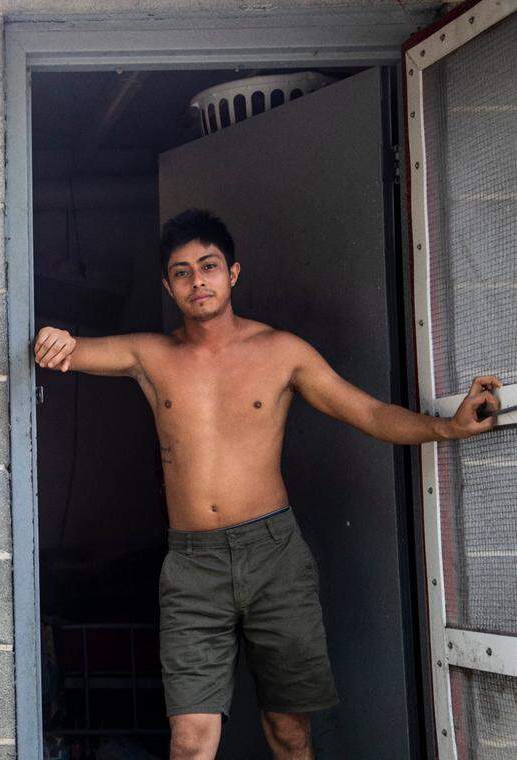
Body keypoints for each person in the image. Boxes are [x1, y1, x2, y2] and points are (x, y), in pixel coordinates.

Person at [31, 209, 501, 760]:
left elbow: (369, 413)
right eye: (181, 272)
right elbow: (73, 350)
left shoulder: (281, 352)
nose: (196, 280)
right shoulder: (150, 355)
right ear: (168, 285)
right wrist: (52, 337)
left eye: (208, 266)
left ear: (232, 273)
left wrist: (447, 426)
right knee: (189, 741)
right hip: (192, 565)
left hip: (274, 555)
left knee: (289, 731)